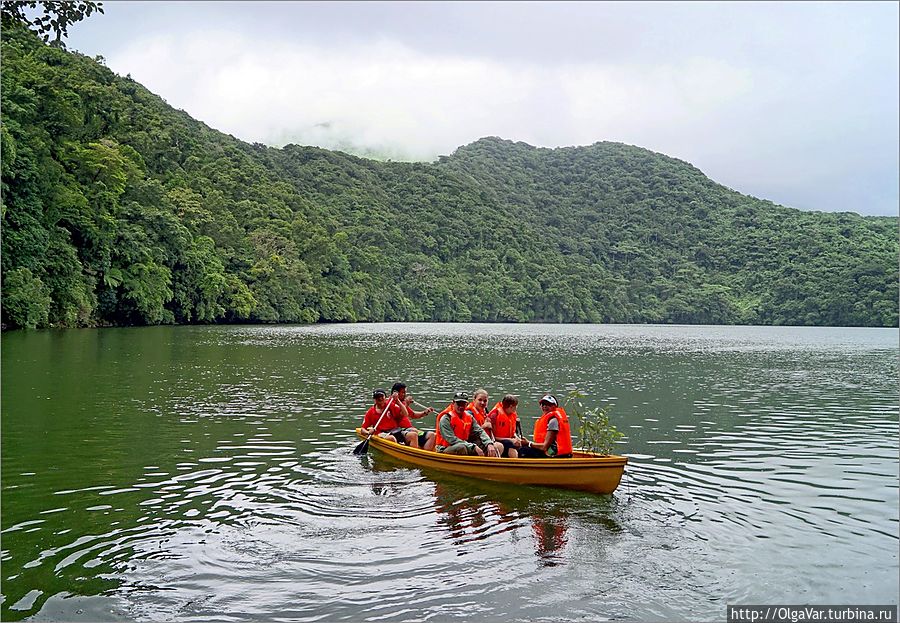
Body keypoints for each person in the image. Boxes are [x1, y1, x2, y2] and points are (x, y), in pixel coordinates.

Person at [434, 391, 499, 456]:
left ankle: (487, 463)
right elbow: (452, 439)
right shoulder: (446, 418)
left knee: (490, 446)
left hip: (466, 444)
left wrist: (489, 443)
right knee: (461, 447)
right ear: (453, 403)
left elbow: (480, 431)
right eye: (459, 404)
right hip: (444, 448)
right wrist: (473, 446)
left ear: (466, 404)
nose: (461, 407)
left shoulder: (469, 417)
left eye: (463, 404)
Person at [517, 394, 573, 458]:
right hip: (553, 452)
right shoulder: (550, 419)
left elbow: (544, 447)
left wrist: (528, 443)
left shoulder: (553, 421)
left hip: (556, 455)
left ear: (554, 406)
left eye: (548, 404)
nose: (544, 406)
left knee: (523, 450)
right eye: (542, 404)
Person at [391, 382, 437, 451]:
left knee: (432, 435)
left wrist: (425, 412)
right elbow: (400, 416)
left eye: (405, 392)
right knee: (414, 432)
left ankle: (427, 455)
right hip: (402, 431)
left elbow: (413, 415)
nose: (405, 395)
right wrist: (406, 403)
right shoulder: (391, 404)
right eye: (403, 393)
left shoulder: (403, 403)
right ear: (396, 393)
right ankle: (418, 456)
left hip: (410, 429)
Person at [465, 388, 503, 457]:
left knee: (503, 444)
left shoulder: (485, 412)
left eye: (485, 401)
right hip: (472, 442)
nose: (482, 403)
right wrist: (484, 426)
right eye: (480, 400)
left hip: (483, 440)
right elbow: (468, 434)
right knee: (498, 446)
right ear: (474, 400)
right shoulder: (469, 413)